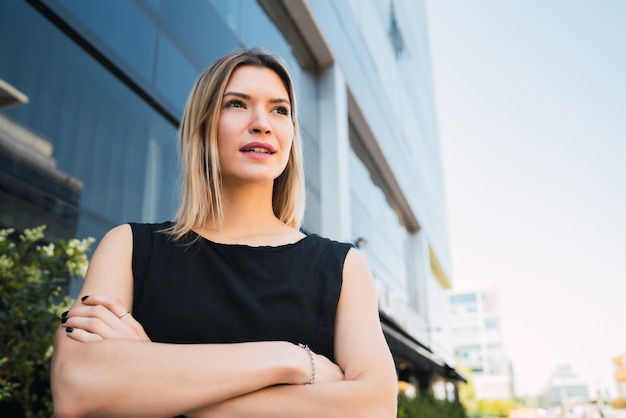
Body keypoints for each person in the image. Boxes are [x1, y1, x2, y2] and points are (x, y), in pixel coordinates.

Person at [51, 47, 398, 418]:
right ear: (203, 125)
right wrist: (290, 359)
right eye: (237, 104)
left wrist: (152, 374)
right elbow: (78, 387)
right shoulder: (129, 247)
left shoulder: (341, 267)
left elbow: (374, 407)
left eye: (280, 109)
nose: (262, 122)